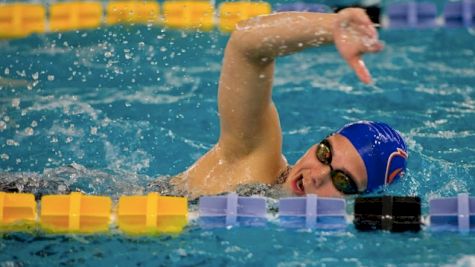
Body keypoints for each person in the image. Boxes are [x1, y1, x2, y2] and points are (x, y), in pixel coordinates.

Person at [165, 8, 408, 199]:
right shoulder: (253, 158)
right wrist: (332, 27)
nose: (317, 175)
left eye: (342, 181)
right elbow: (246, 45)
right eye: (325, 153)